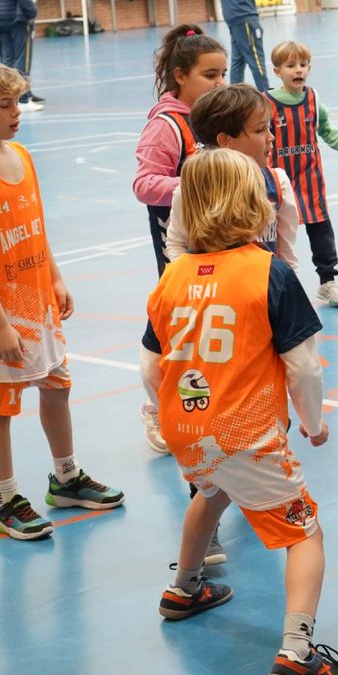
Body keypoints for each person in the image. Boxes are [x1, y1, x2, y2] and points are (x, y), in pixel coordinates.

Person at [142, 149, 338, 675]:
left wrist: (178, 415)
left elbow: (151, 366)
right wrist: (312, 423)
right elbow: (303, 366)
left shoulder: (173, 277)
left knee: (210, 492)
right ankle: (298, 650)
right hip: (247, 432)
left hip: (188, 428)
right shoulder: (270, 273)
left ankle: (185, 588)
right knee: (304, 530)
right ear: (254, 206)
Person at [0, 59, 124, 540]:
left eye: (18, 101)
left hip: (37, 300)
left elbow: (37, 229)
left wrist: (56, 277)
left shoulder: (22, 154)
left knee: (58, 387)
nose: (16, 112)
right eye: (4, 105)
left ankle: (66, 477)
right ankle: (6, 498)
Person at [133, 24, 228, 456]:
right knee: (174, 337)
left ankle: (213, 410)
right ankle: (156, 409)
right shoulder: (167, 126)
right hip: (180, 253)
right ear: (180, 76)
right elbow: (144, 183)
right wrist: (196, 186)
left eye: (223, 73)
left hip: (219, 248)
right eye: (210, 75)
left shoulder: (215, 117)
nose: (220, 83)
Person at [165, 83, 299, 268]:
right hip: (212, 294)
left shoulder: (278, 183)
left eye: (269, 128)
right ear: (225, 141)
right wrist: (194, 284)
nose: (271, 137)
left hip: (260, 293)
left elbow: (287, 256)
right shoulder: (192, 189)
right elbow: (176, 243)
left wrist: (289, 292)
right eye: (260, 130)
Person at [266, 40, 338, 307]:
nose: (298, 70)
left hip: (309, 179)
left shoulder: (313, 99)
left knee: (321, 230)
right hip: (279, 181)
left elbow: (325, 126)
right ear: (277, 71)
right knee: (279, 233)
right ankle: (279, 282)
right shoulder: (266, 102)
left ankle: (327, 282)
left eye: (303, 65)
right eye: (291, 65)